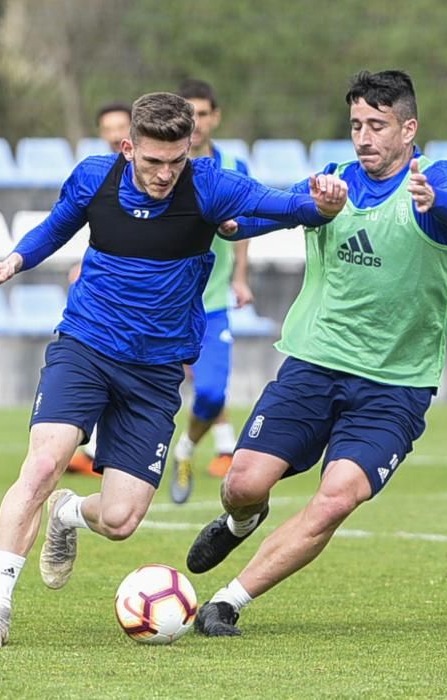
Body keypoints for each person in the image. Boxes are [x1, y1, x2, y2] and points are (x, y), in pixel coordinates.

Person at [0, 91, 348, 648]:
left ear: (189, 148)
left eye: (176, 160)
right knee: (44, 463)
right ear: (127, 148)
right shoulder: (96, 177)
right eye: (151, 161)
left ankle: (68, 515)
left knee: (119, 521)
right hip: (86, 346)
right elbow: (56, 227)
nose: (165, 173)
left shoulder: (209, 183)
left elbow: (285, 207)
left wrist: (325, 204)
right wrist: (13, 262)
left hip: (155, 372)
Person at [185, 70, 447, 637]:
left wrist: (434, 198)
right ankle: (241, 520)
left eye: (377, 125)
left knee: (337, 496)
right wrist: (234, 221)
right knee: (243, 484)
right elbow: (276, 211)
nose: (363, 137)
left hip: (395, 385)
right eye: (356, 125)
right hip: (314, 365)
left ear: (408, 128)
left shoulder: (433, 178)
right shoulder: (334, 181)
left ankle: (228, 602)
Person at [169, 78, 253, 504]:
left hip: (213, 304)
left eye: (203, 113)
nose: (196, 122)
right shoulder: (164, 165)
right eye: (189, 114)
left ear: (215, 117)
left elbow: (244, 227)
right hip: (162, 305)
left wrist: (240, 276)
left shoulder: (234, 168)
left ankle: (184, 448)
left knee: (212, 391)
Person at [67, 101, 133, 477]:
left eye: (119, 126)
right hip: (105, 292)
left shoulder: (155, 176)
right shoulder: (96, 174)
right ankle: (92, 450)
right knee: (99, 361)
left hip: (158, 295)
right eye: (106, 128)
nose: (113, 135)